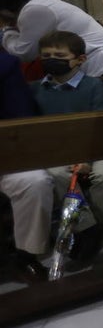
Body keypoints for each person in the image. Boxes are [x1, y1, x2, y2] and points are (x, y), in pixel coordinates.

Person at [32, 31, 103, 256]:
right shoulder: (36, 89)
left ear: (80, 59)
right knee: (58, 174)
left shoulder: (93, 87)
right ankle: (89, 228)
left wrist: (87, 160)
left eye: (59, 55)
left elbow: (102, 126)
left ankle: (89, 225)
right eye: (47, 55)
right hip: (55, 153)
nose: (52, 59)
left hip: (94, 148)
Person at [0, 48, 53, 282]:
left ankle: (25, 255)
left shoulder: (5, 64)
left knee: (35, 181)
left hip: (6, 154)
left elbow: (22, 118)